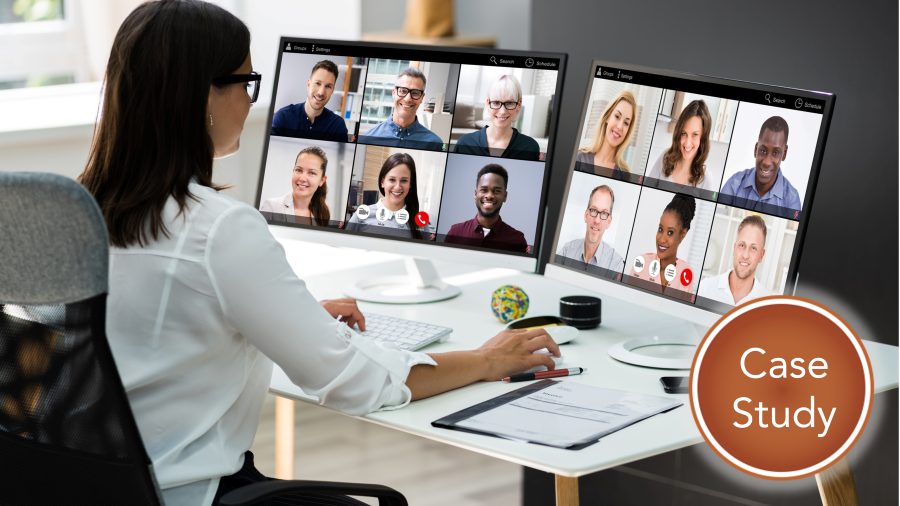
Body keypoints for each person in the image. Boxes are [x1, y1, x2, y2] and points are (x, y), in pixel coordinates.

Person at [77, 2, 558, 505]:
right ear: (202, 97)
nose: (249, 100)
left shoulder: (78, 207)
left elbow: (156, 324)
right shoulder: (220, 228)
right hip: (187, 491)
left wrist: (292, 317)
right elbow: (356, 383)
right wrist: (484, 359)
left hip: (89, 487)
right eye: (246, 81)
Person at [719, 116, 802, 219]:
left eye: (776, 153)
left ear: (784, 154)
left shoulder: (792, 200)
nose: (767, 162)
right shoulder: (734, 185)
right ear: (755, 149)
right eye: (763, 151)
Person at [443, 164, 527, 252]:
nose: (489, 196)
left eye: (496, 191)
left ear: (505, 196)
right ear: (475, 194)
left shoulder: (518, 240)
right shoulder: (455, 232)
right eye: (484, 190)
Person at [454, 74, 540, 160]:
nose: (502, 112)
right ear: (488, 103)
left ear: (519, 104)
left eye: (509, 103)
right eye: (496, 102)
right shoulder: (464, 143)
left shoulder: (531, 147)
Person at [346, 152, 430, 239]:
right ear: (383, 182)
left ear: (410, 184)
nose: (397, 187)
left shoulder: (421, 222)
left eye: (404, 180)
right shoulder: (361, 215)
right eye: (392, 179)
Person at [359, 67, 444, 150]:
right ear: (394, 93)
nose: (407, 99)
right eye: (403, 91)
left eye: (415, 93)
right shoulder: (366, 139)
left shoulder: (436, 144)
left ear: (422, 97)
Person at [628, 194, 696, 294]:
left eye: (670, 232)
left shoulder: (686, 271)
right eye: (660, 229)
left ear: (682, 235)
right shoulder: (642, 263)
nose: (661, 239)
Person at [645, 100, 716, 193]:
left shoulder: (706, 179)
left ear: (703, 137)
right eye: (684, 133)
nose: (687, 143)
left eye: (695, 134)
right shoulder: (666, 158)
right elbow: (645, 192)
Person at [698, 215, 770, 305]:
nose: (745, 255)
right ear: (734, 248)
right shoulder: (705, 289)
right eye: (742, 245)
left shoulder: (766, 304)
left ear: (761, 256)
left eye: (753, 248)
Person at [270, 60, 348, 140]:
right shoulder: (283, 117)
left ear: (332, 90)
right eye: (318, 83)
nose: (321, 92)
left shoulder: (338, 126)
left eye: (328, 86)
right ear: (308, 85)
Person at [557, 185, 625, 277]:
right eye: (593, 210)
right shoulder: (566, 252)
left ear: (609, 222)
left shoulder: (616, 265)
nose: (597, 220)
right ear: (586, 215)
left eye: (604, 213)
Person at [259, 146, 330, 226]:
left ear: (322, 180)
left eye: (312, 173)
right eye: (298, 170)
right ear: (293, 171)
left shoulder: (322, 214)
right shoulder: (272, 207)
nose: (302, 178)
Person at [576, 91, 637, 181]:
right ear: (608, 116)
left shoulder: (625, 174)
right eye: (617, 116)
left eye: (626, 123)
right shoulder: (579, 158)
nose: (620, 126)